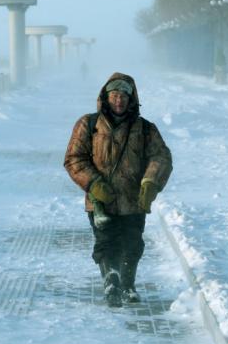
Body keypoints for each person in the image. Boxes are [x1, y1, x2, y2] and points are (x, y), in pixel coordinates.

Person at [64, 73, 173, 308]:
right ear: (106, 96)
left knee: (133, 244)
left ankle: (128, 285)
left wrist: (150, 182)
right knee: (106, 242)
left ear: (132, 100)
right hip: (101, 200)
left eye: (124, 96)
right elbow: (74, 158)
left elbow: (161, 156)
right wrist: (94, 183)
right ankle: (111, 281)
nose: (119, 100)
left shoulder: (145, 129)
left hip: (134, 199)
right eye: (115, 95)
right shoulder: (88, 124)